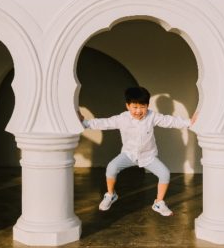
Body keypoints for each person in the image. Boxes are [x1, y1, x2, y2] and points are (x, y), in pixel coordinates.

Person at [81, 86, 196, 217]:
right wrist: (84, 123)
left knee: (165, 174)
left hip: (148, 157)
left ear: (147, 105)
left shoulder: (152, 116)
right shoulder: (122, 118)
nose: (138, 111)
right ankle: (111, 195)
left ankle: (158, 203)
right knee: (111, 167)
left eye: (142, 107)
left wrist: (189, 122)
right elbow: (104, 123)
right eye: (134, 107)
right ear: (128, 106)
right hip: (128, 155)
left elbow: (169, 121)